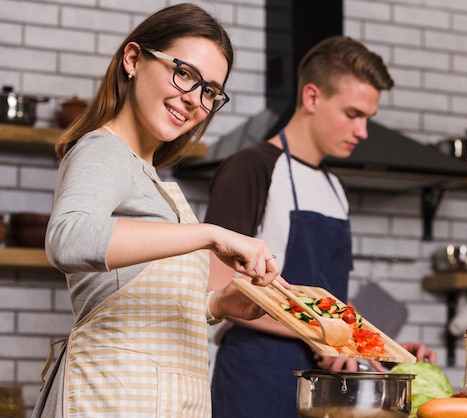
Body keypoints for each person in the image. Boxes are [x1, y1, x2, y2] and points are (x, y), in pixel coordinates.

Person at [31, 4, 285, 417]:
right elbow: (68, 239)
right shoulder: (103, 149)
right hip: (109, 399)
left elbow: (130, 299)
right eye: (183, 73)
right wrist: (211, 233)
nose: (194, 100)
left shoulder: (149, 175)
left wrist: (216, 304)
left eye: (209, 91)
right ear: (133, 60)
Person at [205, 35, 437, 418]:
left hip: (327, 388)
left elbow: (331, 305)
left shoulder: (334, 189)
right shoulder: (251, 168)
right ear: (312, 97)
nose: (362, 131)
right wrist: (325, 339)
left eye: (367, 118)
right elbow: (217, 286)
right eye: (352, 114)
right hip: (257, 377)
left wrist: (386, 350)